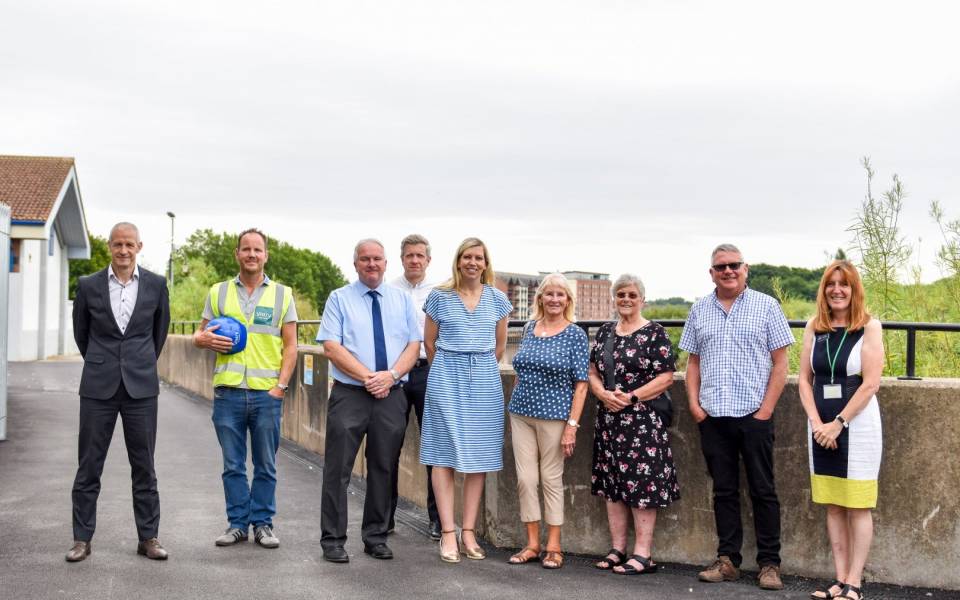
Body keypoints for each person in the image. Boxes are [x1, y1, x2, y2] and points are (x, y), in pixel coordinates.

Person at [679, 243, 795, 591]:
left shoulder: (766, 306)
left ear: (745, 269)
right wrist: (696, 407)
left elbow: (781, 363)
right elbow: (693, 364)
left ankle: (769, 564)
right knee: (724, 491)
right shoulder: (700, 310)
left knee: (763, 490)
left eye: (734, 265)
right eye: (720, 267)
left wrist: (766, 411)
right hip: (713, 415)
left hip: (754, 414)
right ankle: (728, 559)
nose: (728, 271)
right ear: (711, 273)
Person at [67, 222, 171, 562]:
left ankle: (149, 538)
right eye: (117, 245)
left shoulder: (156, 285)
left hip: (141, 388)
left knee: (145, 467)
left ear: (139, 246)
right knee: (89, 466)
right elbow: (82, 333)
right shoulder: (88, 285)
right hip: (98, 387)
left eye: (129, 244)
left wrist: (137, 363)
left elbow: (159, 333)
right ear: (109, 247)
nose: (123, 251)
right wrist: (102, 362)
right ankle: (82, 539)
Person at [317, 239, 421, 563]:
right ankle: (333, 540)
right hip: (350, 394)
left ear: (386, 263)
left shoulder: (401, 300)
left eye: (377, 259)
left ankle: (375, 536)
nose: (371, 264)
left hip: (391, 395)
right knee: (338, 469)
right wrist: (369, 376)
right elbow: (332, 346)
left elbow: (413, 345)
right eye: (365, 259)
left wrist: (389, 376)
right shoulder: (339, 299)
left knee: (383, 467)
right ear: (356, 264)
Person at [193, 228, 297, 549]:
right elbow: (199, 336)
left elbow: (291, 346)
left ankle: (263, 524)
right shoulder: (218, 292)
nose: (252, 254)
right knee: (232, 465)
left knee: (266, 464)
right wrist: (203, 339)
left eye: (258, 250)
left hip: (267, 395)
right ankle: (237, 524)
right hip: (229, 393)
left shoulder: (283, 294)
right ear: (237, 254)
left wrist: (280, 387)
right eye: (246, 249)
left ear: (266, 255)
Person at [419, 238, 512, 563]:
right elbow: (429, 343)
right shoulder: (439, 297)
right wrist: (448, 372)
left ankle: (469, 531)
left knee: (481, 457)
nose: (472, 262)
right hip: (446, 376)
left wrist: (478, 368)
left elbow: (500, 347)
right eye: (467, 257)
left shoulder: (498, 299)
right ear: (458, 261)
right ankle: (447, 532)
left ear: (486, 263)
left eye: (479, 258)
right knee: (443, 455)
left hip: (484, 380)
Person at [799, 261, 883, 600]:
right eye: (831, 284)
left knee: (857, 505)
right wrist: (818, 423)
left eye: (844, 284)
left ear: (854, 289)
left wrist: (839, 423)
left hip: (857, 425)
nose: (837, 290)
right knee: (833, 504)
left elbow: (870, 383)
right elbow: (805, 380)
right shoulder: (813, 327)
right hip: (819, 426)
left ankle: (854, 583)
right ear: (824, 288)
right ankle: (838, 578)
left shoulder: (869, 327)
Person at [588, 274, 680, 576]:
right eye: (620, 295)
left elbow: (666, 376)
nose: (626, 299)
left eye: (632, 295)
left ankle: (643, 554)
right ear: (614, 299)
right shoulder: (604, 332)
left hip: (641, 420)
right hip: (609, 419)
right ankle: (618, 549)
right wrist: (601, 393)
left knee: (641, 485)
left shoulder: (654, 333)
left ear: (642, 299)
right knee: (613, 485)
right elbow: (591, 369)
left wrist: (631, 398)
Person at [506, 273, 588, 570]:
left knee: (551, 480)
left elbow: (581, 384)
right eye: (549, 294)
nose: (554, 299)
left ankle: (554, 546)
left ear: (568, 300)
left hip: (555, 418)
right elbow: (520, 371)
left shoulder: (575, 334)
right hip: (520, 415)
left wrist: (572, 426)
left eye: (561, 295)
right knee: (525, 480)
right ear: (540, 297)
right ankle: (532, 544)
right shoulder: (529, 328)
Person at [388, 234, 441, 540]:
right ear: (402, 258)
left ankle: (436, 519)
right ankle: (385, 515)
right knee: (388, 446)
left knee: (433, 447)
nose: (415, 260)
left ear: (428, 260)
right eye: (410, 255)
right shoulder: (389, 289)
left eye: (420, 255)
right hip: (395, 374)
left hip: (426, 372)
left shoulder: (440, 291)